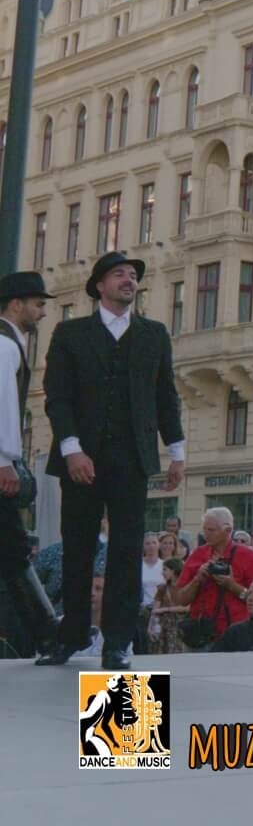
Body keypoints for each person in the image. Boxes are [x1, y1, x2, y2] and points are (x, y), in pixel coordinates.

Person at [36, 254, 187, 670]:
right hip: (80, 457)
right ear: (99, 285)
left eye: (134, 276)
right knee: (78, 548)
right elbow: (58, 396)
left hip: (132, 457)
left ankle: (117, 643)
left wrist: (176, 452)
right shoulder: (70, 333)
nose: (129, 280)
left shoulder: (154, 334)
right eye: (120, 274)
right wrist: (72, 449)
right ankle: (70, 637)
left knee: (125, 551)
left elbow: (165, 397)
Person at [0, 271, 59, 658]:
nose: (41, 312)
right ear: (16, 304)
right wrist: (5, 460)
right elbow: (2, 403)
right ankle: (47, 631)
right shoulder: (5, 345)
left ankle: (46, 631)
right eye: (38, 304)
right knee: (15, 549)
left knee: (13, 549)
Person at [175, 507, 253, 647]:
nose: (205, 534)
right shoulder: (198, 554)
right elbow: (180, 599)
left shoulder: (248, 556)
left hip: (236, 634)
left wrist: (232, 585)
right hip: (202, 634)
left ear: (227, 530)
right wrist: (197, 579)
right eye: (204, 529)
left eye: (211, 530)